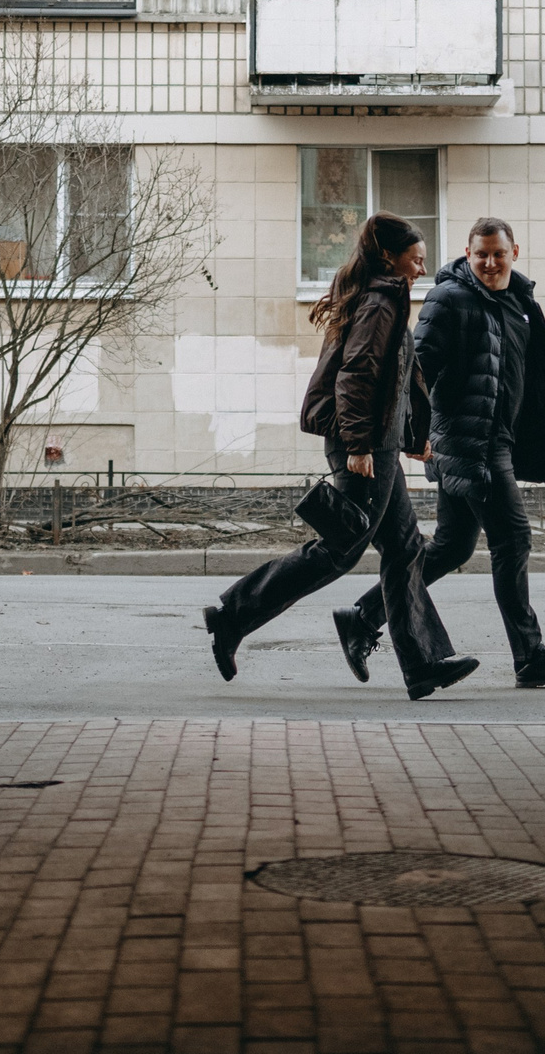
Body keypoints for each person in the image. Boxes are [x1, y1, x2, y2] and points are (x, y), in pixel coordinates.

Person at [201, 213, 481, 701]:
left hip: (380, 444)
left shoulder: (384, 297)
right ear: (391, 258)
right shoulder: (380, 300)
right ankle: (232, 617)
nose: (422, 268)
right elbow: (356, 376)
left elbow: (398, 376)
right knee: (338, 549)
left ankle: (424, 664)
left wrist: (412, 436)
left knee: (406, 548)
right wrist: (356, 446)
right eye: (416, 260)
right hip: (366, 446)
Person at [336, 217, 545, 689]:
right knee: (513, 540)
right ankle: (530, 656)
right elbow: (417, 370)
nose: (490, 263)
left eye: (498, 253)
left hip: (496, 440)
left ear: (516, 250)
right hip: (467, 442)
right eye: (481, 255)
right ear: (468, 254)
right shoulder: (449, 298)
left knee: (452, 546)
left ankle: (363, 616)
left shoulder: (519, 300)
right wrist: (416, 434)